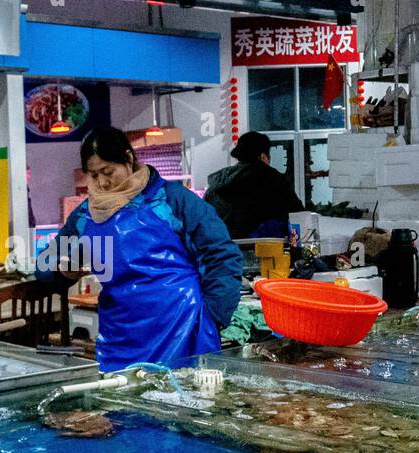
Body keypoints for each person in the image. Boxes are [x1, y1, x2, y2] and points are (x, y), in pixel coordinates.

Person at [38, 127, 242, 371]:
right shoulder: (85, 214)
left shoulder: (171, 199)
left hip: (182, 329)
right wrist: (62, 272)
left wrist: (213, 317)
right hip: (121, 338)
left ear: (128, 158)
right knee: (121, 405)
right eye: (93, 175)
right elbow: (43, 265)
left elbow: (222, 255)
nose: (102, 182)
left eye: (108, 171)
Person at [205, 131, 305, 239]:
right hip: (261, 250)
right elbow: (298, 215)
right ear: (262, 156)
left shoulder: (217, 182)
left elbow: (204, 219)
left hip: (223, 249)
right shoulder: (272, 178)